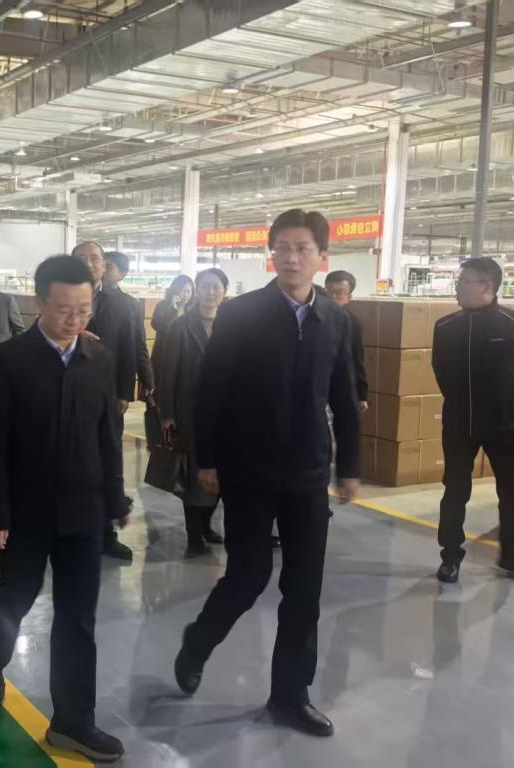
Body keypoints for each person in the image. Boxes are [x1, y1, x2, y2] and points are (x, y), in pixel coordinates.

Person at [173, 209, 360, 739]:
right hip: (249, 469)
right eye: (283, 247)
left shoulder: (336, 319)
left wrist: (349, 466)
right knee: (249, 575)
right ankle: (198, 641)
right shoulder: (243, 313)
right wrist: (208, 460)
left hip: (308, 473)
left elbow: (345, 396)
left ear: (322, 257)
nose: (291, 257)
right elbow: (210, 391)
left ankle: (290, 695)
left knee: (305, 588)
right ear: (271, 254)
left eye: (303, 248)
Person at [0, 255, 129, 763]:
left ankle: (72, 722)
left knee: (78, 618)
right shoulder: (9, 361)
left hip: (83, 512)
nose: (75, 320)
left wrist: (115, 497)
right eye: (64, 310)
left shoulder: (98, 359)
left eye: (84, 310)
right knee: (14, 600)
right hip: (26, 514)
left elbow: (108, 434)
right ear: (39, 303)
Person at [432, 257, 514, 585]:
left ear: (488, 286)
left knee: (513, 490)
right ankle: (451, 555)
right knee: (455, 489)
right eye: (458, 281)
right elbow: (441, 372)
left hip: (503, 424)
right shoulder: (446, 327)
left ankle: (512, 555)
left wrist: (503, 404)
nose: (458, 288)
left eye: (464, 282)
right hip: (459, 424)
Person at [156, 269, 229, 557]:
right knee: (193, 478)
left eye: (216, 287)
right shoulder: (180, 326)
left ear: (224, 290)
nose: (211, 292)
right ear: (197, 289)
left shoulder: (233, 325)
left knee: (220, 476)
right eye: (205, 286)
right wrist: (167, 413)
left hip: (226, 415)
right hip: (190, 413)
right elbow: (168, 371)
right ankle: (194, 534)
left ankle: (207, 525)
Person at [72, 240, 137, 562]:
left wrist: (125, 392)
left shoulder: (124, 304)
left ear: (103, 265)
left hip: (107, 398)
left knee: (107, 464)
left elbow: (130, 347)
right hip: (66, 396)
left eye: (95, 258)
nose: (89, 263)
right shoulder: (59, 297)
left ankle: (105, 535)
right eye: (82, 258)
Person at [103, 250, 155, 401]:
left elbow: (139, 344)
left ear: (122, 274)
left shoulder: (130, 305)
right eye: (102, 265)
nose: (103, 270)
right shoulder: (85, 299)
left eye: (109, 267)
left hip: (116, 379)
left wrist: (146, 377)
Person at [324, 270, 369, 414]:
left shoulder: (352, 323)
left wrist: (362, 395)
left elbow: (357, 358)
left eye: (340, 293)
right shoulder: (312, 318)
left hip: (339, 385)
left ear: (349, 297)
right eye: (329, 291)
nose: (333, 296)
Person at [150, 274, 194, 392]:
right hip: (163, 352)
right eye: (182, 291)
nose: (185, 295)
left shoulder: (193, 308)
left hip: (186, 355)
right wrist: (173, 309)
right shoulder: (163, 305)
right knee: (161, 386)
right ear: (175, 290)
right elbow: (157, 325)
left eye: (188, 291)